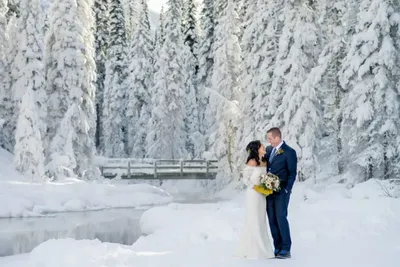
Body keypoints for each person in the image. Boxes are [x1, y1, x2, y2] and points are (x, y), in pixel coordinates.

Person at [235, 140, 274, 259]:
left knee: (261, 219)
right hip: (253, 194)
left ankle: (264, 248)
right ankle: (253, 250)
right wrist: (256, 187)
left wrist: (268, 185)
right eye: (261, 146)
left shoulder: (265, 160)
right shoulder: (252, 161)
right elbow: (245, 179)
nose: (264, 147)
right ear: (257, 149)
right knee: (254, 219)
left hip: (262, 195)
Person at [265, 127, 297, 259]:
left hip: (282, 192)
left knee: (281, 218)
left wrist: (286, 189)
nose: (269, 141)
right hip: (269, 191)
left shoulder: (289, 152)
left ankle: (286, 248)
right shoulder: (269, 150)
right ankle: (277, 247)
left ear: (277, 138)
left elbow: (292, 173)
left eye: (270, 138)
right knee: (272, 219)